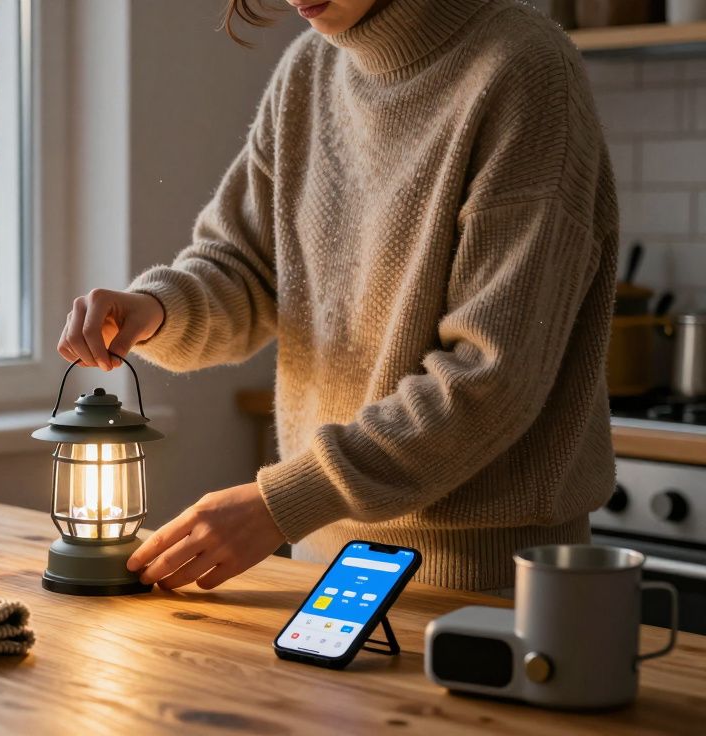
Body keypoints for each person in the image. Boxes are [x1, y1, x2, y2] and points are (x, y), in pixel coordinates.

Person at [58, 0, 617, 594]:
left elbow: (489, 378)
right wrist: (156, 310)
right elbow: (244, 268)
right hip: (320, 562)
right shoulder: (309, 71)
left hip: (485, 579)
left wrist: (281, 503)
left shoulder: (525, 69)